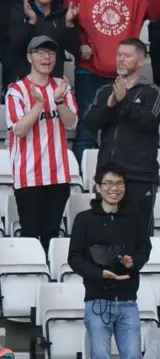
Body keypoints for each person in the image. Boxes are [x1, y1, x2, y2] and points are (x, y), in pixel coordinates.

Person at [67, 162, 151, 359]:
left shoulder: (135, 217)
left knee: (132, 356)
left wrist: (134, 263)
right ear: (98, 187)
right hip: (97, 300)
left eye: (119, 183)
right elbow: (74, 258)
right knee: (100, 356)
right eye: (108, 183)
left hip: (128, 300)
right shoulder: (84, 219)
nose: (114, 188)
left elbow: (145, 249)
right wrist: (98, 274)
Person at [84, 38, 160, 236]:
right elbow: (89, 123)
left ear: (141, 61)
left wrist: (125, 101)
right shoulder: (105, 92)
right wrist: (110, 105)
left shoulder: (153, 92)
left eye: (127, 56)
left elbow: (148, 121)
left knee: (138, 237)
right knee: (104, 234)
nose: (121, 60)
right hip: (107, 175)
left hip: (139, 176)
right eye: (119, 55)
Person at [71, 0, 160, 164]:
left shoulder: (153, 92)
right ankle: (85, 180)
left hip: (128, 77)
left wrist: (124, 100)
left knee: (128, 131)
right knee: (86, 134)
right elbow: (65, 22)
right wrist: (76, 46)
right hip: (90, 72)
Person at [5, 36, 77, 252]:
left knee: (52, 233)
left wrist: (58, 101)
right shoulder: (17, 90)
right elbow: (19, 129)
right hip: (28, 175)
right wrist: (38, 105)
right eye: (40, 52)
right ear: (29, 57)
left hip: (58, 174)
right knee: (30, 233)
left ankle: (50, 278)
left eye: (51, 53)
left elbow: (71, 123)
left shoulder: (62, 87)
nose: (46, 57)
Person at [9, 0, 80, 82]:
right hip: (25, 80)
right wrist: (31, 21)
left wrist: (69, 23)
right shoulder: (21, 10)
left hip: (54, 81)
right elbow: (16, 46)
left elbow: (74, 49)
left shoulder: (62, 12)